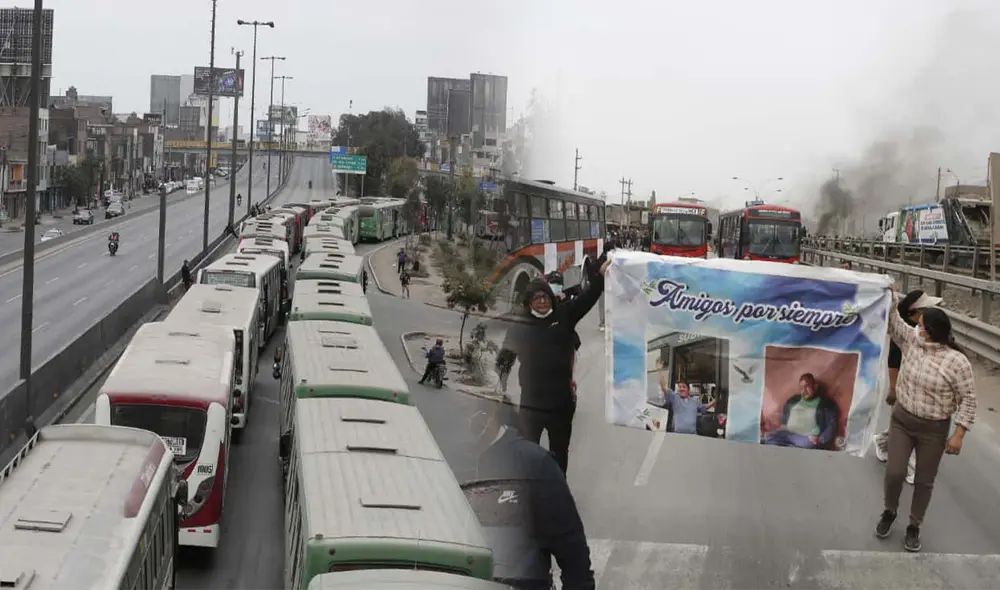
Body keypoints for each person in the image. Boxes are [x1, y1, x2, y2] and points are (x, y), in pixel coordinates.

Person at [875, 290, 977, 553]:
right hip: (902, 420)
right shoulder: (911, 341)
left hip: (933, 430)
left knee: (923, 481)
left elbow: (968, 399)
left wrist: (959, 434)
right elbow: (893, 322)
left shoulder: (957, 362)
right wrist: (890, 295)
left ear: (931, 331)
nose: (915, 328)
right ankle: (889, 511)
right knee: (895, 472)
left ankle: (914, 526)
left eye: (920, 326)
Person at [498, 256, 610, 475]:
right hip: (531, 404)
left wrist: (601, 276)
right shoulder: (520, 325)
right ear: (529, 302)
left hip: (561, 404)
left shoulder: (564, 315)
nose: (542, 302)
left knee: (559, 455)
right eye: (536, 298)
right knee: (528, 452)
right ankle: (530, 492)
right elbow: (505, 358)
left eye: (545, 297)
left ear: (551, 298)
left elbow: (587, 298)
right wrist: (498, 385)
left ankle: (558, 493)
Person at [470, 395, 595, 589]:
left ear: (491, 413)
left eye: (468, 413)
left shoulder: (535, 465)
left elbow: (571, 547)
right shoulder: (435, 460)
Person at [873, 290, 943, 485]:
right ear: (915, 313)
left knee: (909, 426)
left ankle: (882, 441)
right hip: (908, 386)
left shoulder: (934, 331)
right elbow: (894, 360)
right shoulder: (907, 335)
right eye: (926, 308)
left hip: (927, 387)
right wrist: (893, 388)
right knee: (911, 427)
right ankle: (912, 467)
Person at [763, 373, 840, 449]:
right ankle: (790, 447)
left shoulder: (826, 404)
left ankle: (789, 448)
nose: (804, 391)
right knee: (769, 439)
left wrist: (821, 439)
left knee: (807, 444)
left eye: (807, 387)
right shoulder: (793, 400)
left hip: (806, 438)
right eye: (802, 388)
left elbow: (831, 425)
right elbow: (784, 421)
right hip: (787, 435)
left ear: (815, 387)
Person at [655, 360, 715, 434]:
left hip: (693, 436)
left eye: (684, 387)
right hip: (678, 436)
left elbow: (704, 407)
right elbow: (663, 387)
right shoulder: (674, 398)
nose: (681, 389)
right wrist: (659, 370)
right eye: (680, 387)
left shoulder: (694, 401)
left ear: (688, 390)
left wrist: (715, 401)